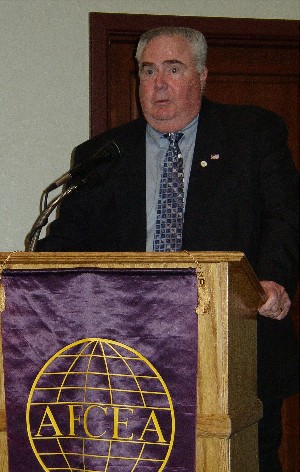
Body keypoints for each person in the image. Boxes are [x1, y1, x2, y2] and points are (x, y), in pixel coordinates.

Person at [36, 27, 299, 471]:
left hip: (233, 350)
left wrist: (270, 280)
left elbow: (285, 217)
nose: (158, 84)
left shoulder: (252, 134)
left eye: (173, 69)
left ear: (201, 75)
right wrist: (29, 283)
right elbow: (66, 242)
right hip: (131, 362)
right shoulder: (104, 154)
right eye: (148, 70)